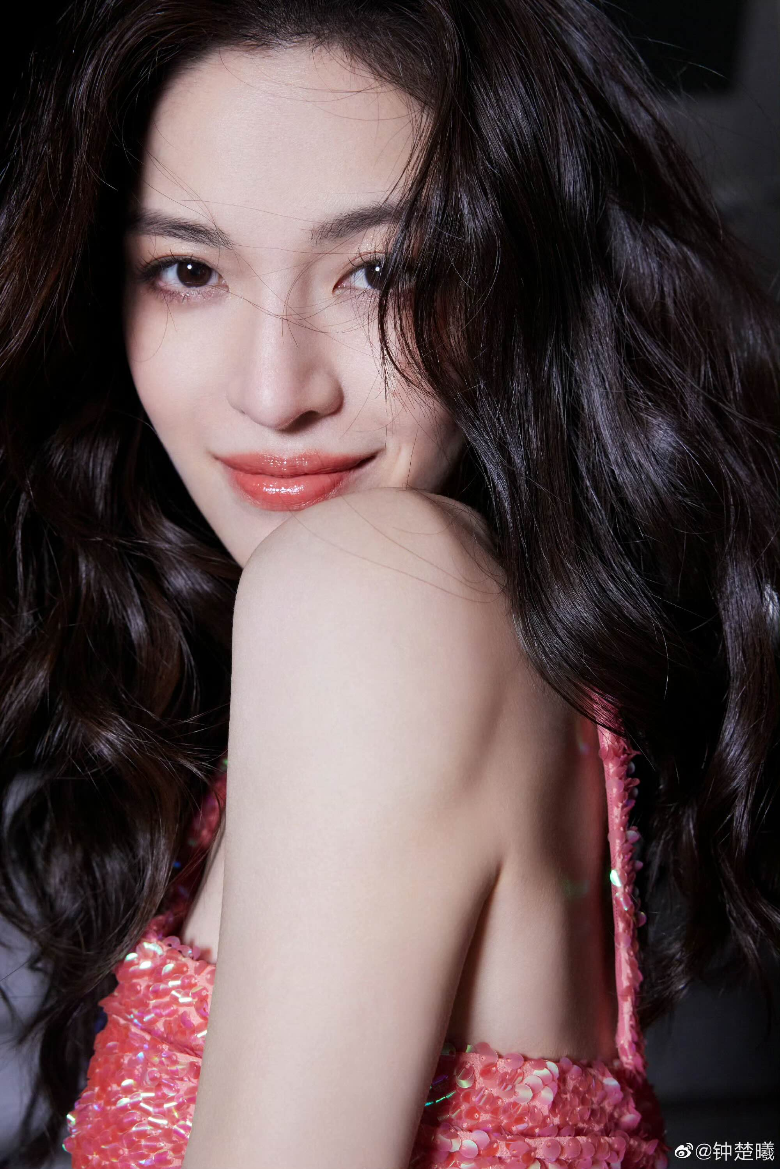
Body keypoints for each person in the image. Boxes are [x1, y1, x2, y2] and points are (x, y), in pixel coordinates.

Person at [0, 0, 778, 1165]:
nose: (276, 392)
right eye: (187, 269)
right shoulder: (475, 633)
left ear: (524, 277)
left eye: (382, 271)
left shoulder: (376, 594)